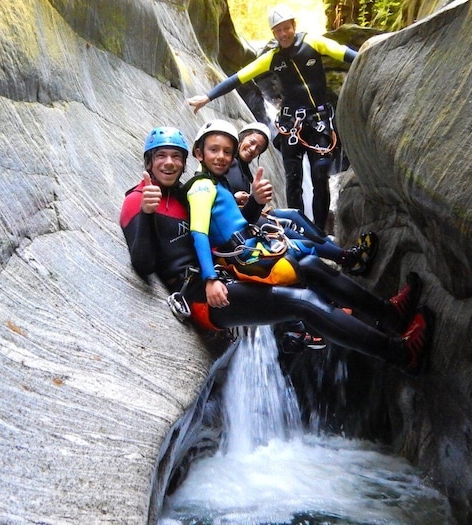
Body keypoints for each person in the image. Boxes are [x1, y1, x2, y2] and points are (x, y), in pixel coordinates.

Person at [120, 125, 433, 375]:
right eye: (161, 156)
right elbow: (143, 262)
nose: (170, 163)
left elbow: (221, 229)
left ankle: (389, 315)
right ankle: (401, 355)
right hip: (201, 294)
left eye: (176, 156)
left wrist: (254, 202)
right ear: (149, 161)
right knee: (302, 302)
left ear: (186, 160)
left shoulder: (182, 193)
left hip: (221, 276)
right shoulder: (139, 198)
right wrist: (148, 215)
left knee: (310, 265)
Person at [187, 5, 358, 230]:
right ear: (273, 33)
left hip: (318, 119)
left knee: (319, 174)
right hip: (291, 126)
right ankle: (300, 229)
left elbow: (346, 54)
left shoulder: (313, 43)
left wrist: (375, 57)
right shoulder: (271, 57)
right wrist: (207, 98)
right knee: (294, 180)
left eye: (286, 28)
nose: (283, 34)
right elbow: (238, 78)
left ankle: (318, 230)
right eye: (278, 30)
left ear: (294, 26)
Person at [227, 121, 379, 276]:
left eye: (259, 148)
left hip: (247, 214)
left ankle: (333, 247)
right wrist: (235, 198)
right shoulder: (226, 161)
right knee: (287, 229)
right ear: (241, 138)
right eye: (252, 143)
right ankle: (347, 258)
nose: (253, 149)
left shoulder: (244, 170)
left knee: (294, 214)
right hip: (237, 222)